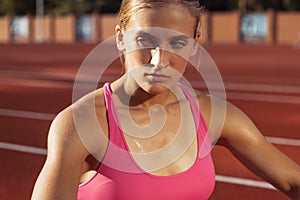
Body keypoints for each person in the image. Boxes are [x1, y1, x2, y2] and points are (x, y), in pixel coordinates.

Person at [31, 0, 300, 199]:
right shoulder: (80, 124)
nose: (159, 61)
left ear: (195, 44)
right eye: (145, 40)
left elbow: (291, 180)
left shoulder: (213, 115)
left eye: (178, 44)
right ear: (120, 39)